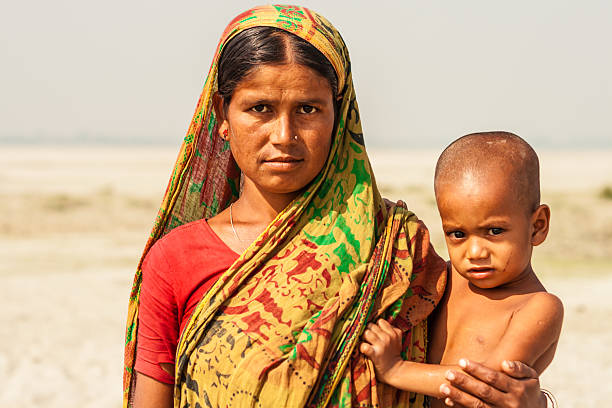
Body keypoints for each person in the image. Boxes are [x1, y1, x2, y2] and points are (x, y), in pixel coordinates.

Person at [122, 6, 549, 408]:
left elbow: (477, 364)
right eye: (260, 109)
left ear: (339, 116)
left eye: (308, 109)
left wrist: (525, 397)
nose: (284, 135)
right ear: (222, 115)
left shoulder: (396, 249)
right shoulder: (176, 261)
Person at [360, 132, 563, 407]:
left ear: (537, 226)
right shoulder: (442, 279)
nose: (475, 252)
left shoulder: (538, 307)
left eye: (494, 231)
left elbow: (484, 387)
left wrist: (395, 369)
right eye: (457, 234)